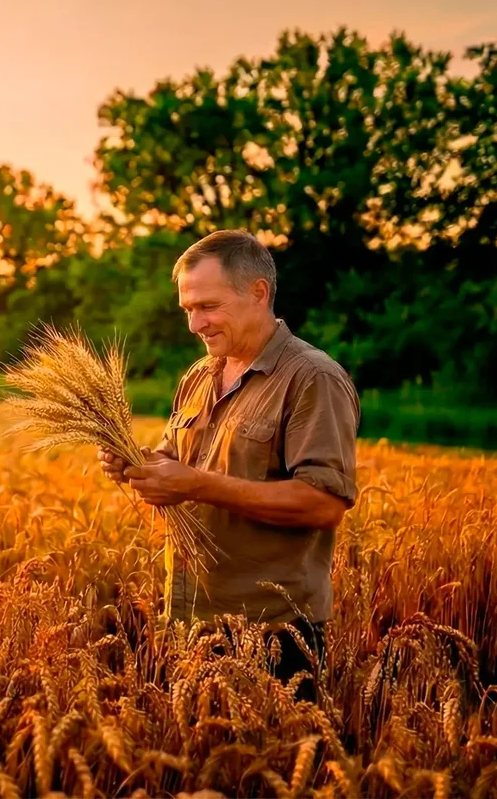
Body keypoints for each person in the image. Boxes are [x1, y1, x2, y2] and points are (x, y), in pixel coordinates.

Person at [97, 230, 359, 699]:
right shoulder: (199, 375)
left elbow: (324, 503)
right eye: (188, 310)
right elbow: (176, 463)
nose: (196, 324)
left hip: (275, 635)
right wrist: (137, 465)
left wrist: (196, 484)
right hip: (188, 617)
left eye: (208, 307)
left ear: (258, 293)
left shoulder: (312, 378)